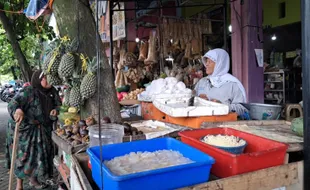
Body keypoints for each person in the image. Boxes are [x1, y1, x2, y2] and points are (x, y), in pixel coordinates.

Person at [5, 70, 61, 190]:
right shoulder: (28, 91)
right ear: (39, 80)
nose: (49, 80)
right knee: (22, 157)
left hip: (43, 128)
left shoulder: (53, 92)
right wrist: (18, 110)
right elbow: (13, 103)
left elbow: (58, 104)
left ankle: (33, 179)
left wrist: (56, 110)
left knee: (39, 156)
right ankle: (19, 185)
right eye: (46, 78)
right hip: (26, 130)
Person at [194, 48, 247, 116]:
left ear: (219, 63)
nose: (206, 64)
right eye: (206, 61)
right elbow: (191, 102)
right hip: (201, 123)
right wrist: (198, 100)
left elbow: (242, 109)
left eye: (210, 62)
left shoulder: (232, 84)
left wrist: (223, 106)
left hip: (223, 124)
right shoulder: (202, 82)